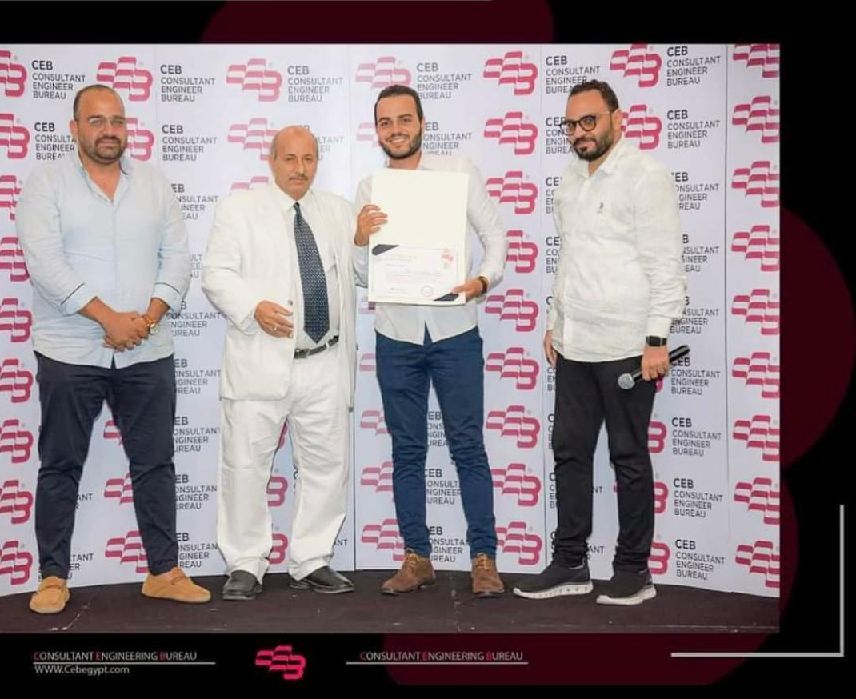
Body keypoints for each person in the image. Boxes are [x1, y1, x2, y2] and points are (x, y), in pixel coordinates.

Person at [15, 84, 209, 614]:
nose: (108, 130)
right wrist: (109, 318)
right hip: (70, 351)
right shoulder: (46, 182)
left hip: (147, 348)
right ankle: (52, 578)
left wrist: (146, 319)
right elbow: (45, 263)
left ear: (127, 128)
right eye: (96, 121)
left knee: (155, 463)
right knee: (60, 465)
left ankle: (163, 572)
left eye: (117, 121)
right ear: (74, 128)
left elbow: (178, 258)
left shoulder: (154, 184)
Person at [510, 79, 686, 606]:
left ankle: (634, 570)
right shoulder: (570, 178)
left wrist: (657, 338)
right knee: (569, 453)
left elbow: (665, 264)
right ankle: (570, 563)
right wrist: (555, 322)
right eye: (570, 124)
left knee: (628, 457)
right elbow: (570, 258)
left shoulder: (645, 176)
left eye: (589, 121)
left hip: (629, 345)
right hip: (575, 345)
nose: (579, 132)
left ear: (617, 119)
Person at [353, 85, 506, 598]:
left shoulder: (458, 172)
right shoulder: (370, 188)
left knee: (468, 446)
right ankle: (417, 557)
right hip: (396, 337)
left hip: (455, 332)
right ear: (377, 130)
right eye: (386, 122)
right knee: (407, 450)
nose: (396, 130)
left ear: (421, 123)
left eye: (404, 119)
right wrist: (360, 238)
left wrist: (482, 280)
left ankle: (484, 559)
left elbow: (496, 236)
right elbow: (362, 275)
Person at [202, 126, 357, 600]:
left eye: (309, 159)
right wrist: (253, 307)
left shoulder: (338, 210)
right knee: (246, 466)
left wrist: (366, 241)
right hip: (259, 359)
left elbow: (361, 272)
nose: (300, 169)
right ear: (271, 161)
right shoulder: (239, 209)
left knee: (327, 465)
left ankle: (312, 558)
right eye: (290, 159)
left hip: (324, 360)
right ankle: (245, 563)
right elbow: (215, 274)